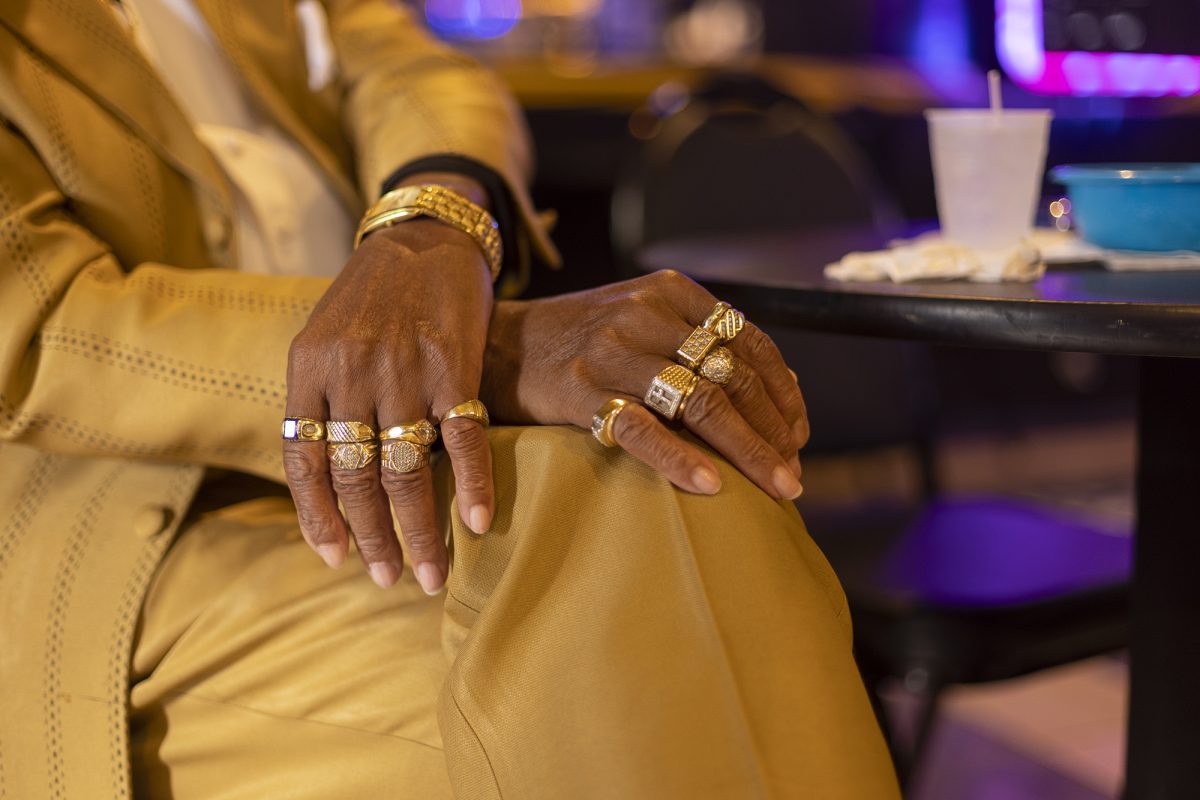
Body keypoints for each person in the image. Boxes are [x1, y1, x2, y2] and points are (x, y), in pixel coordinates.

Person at [0, 1, 899, 797]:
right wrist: (479, 349)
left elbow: (421, 70)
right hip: (126, 531)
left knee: (683, 486)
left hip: (415, 454)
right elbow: (37, 329)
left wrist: (429, 225)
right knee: (620, 704)